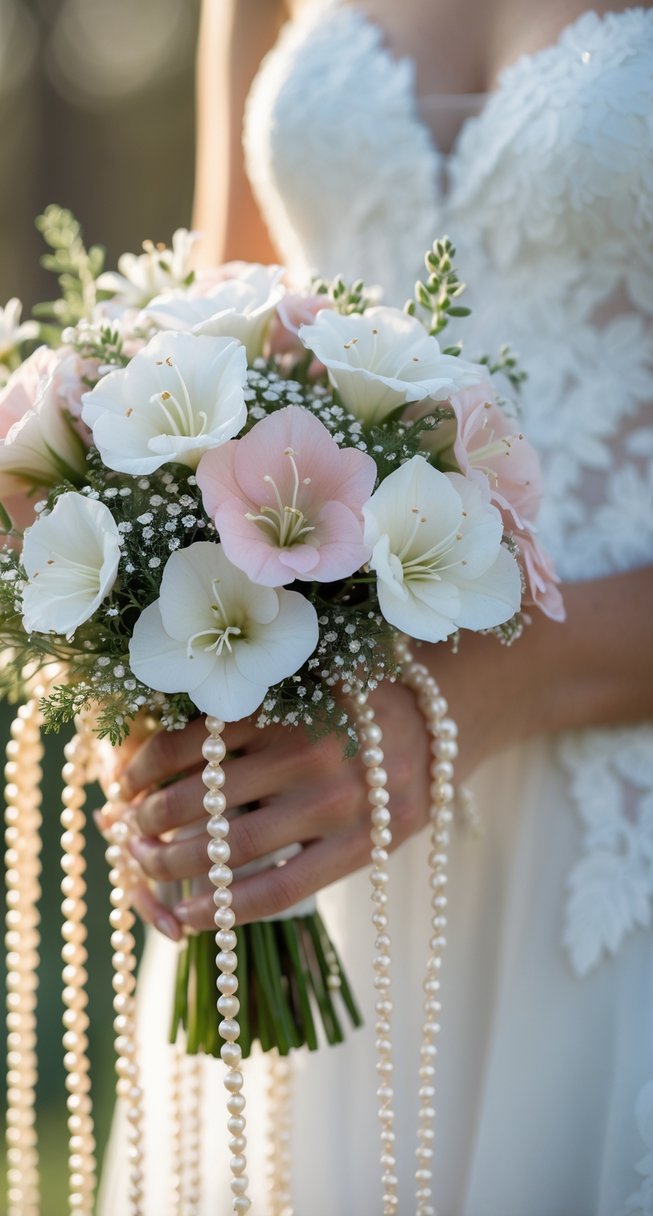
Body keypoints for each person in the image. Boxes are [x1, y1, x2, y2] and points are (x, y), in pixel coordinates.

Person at [98, 2, 653, 1212]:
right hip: (325, 801)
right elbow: (218, 347)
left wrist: (489, 686)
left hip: (615, 816)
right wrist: (144, 640)